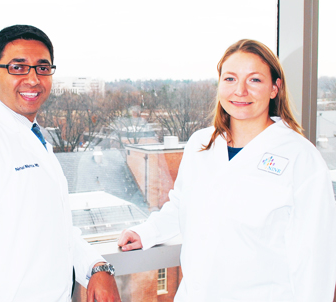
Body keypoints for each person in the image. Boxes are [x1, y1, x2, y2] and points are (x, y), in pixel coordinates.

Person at [118, 39, 336, 301]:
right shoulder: (200, 144)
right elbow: (181, 206)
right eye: (230, 79)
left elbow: (316, 259)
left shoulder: (301, 158)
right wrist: (146, 233)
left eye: (254, 80)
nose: (240, 91)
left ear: (274, 88)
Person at [0, 25, 121, 302]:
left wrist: (96, 267)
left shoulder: (34, 137)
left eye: (42, 68)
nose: (33, 79)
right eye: (18, 68)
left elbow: (54, 228)